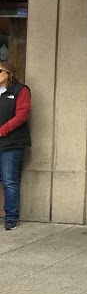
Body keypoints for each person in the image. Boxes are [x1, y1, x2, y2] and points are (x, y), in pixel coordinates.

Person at [0, 61, 31, 231]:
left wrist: (2, 131)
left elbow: (22, 115)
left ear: (9, 73)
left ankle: (11, 217)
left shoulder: (20, 90)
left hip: (11, 144)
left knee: (9, 181)